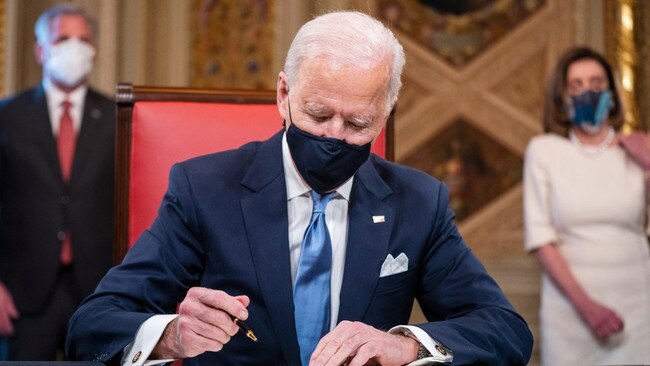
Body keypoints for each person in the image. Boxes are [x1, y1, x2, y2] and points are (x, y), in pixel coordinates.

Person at [66, 11, 532, 366]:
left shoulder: (418, 202)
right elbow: (93, 325)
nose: (333, 135)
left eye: (357, 122)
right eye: (318, 114)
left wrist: (405, 345)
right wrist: (173, 334)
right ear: (284, 95)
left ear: (385, 114)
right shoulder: (203, 189)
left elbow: (505, 330)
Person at [0, 4, 115, 360]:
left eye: (83, 40)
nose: (74, 48)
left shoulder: (117, 119)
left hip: (98, 293)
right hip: (22, 296)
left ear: (94, 50)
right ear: (40, 50)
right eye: (63, 38)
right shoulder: (8, 116)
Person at [524, 46, 650, 365]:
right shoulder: (544, 151)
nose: (587, 93)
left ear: (611, 91)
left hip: (638, 305)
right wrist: (588, 308)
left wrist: (649, 164)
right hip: (570, 311)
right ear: (563, 96)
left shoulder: (638, 149)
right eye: (576, 86)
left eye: (596, 83)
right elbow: (541, 239)